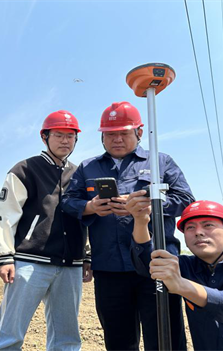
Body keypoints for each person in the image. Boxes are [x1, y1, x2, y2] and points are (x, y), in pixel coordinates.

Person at [61, 101, 194, 351]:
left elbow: (186, 200)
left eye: (124, 132)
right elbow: (67, 202)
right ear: (102, 136)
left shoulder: (161, 162)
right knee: (118, 340)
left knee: (166, 338)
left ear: (139, 133)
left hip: (157, 264)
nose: (117, 139)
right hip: (109, 268)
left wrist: (149, 205)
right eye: (110, 134)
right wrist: (90, 207)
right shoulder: (88, 167)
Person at [0, 111, 89, 351]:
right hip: (28, 262)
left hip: (70, 265)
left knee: (67, 338)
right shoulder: (25, 169)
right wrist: (4, 256)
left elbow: (86, 217)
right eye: (59, 135)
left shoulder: (80, 174)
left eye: (71, 136)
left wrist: (86, 255)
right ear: (44, 137)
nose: (65, 141)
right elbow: (5, 214)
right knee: (10, 335)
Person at [127, 197, 223, 351]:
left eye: (208, 225)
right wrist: (141, 221)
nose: (198, 233)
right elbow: (147, 263)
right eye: (190, 228)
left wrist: (183, 286)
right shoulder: (186, 267)